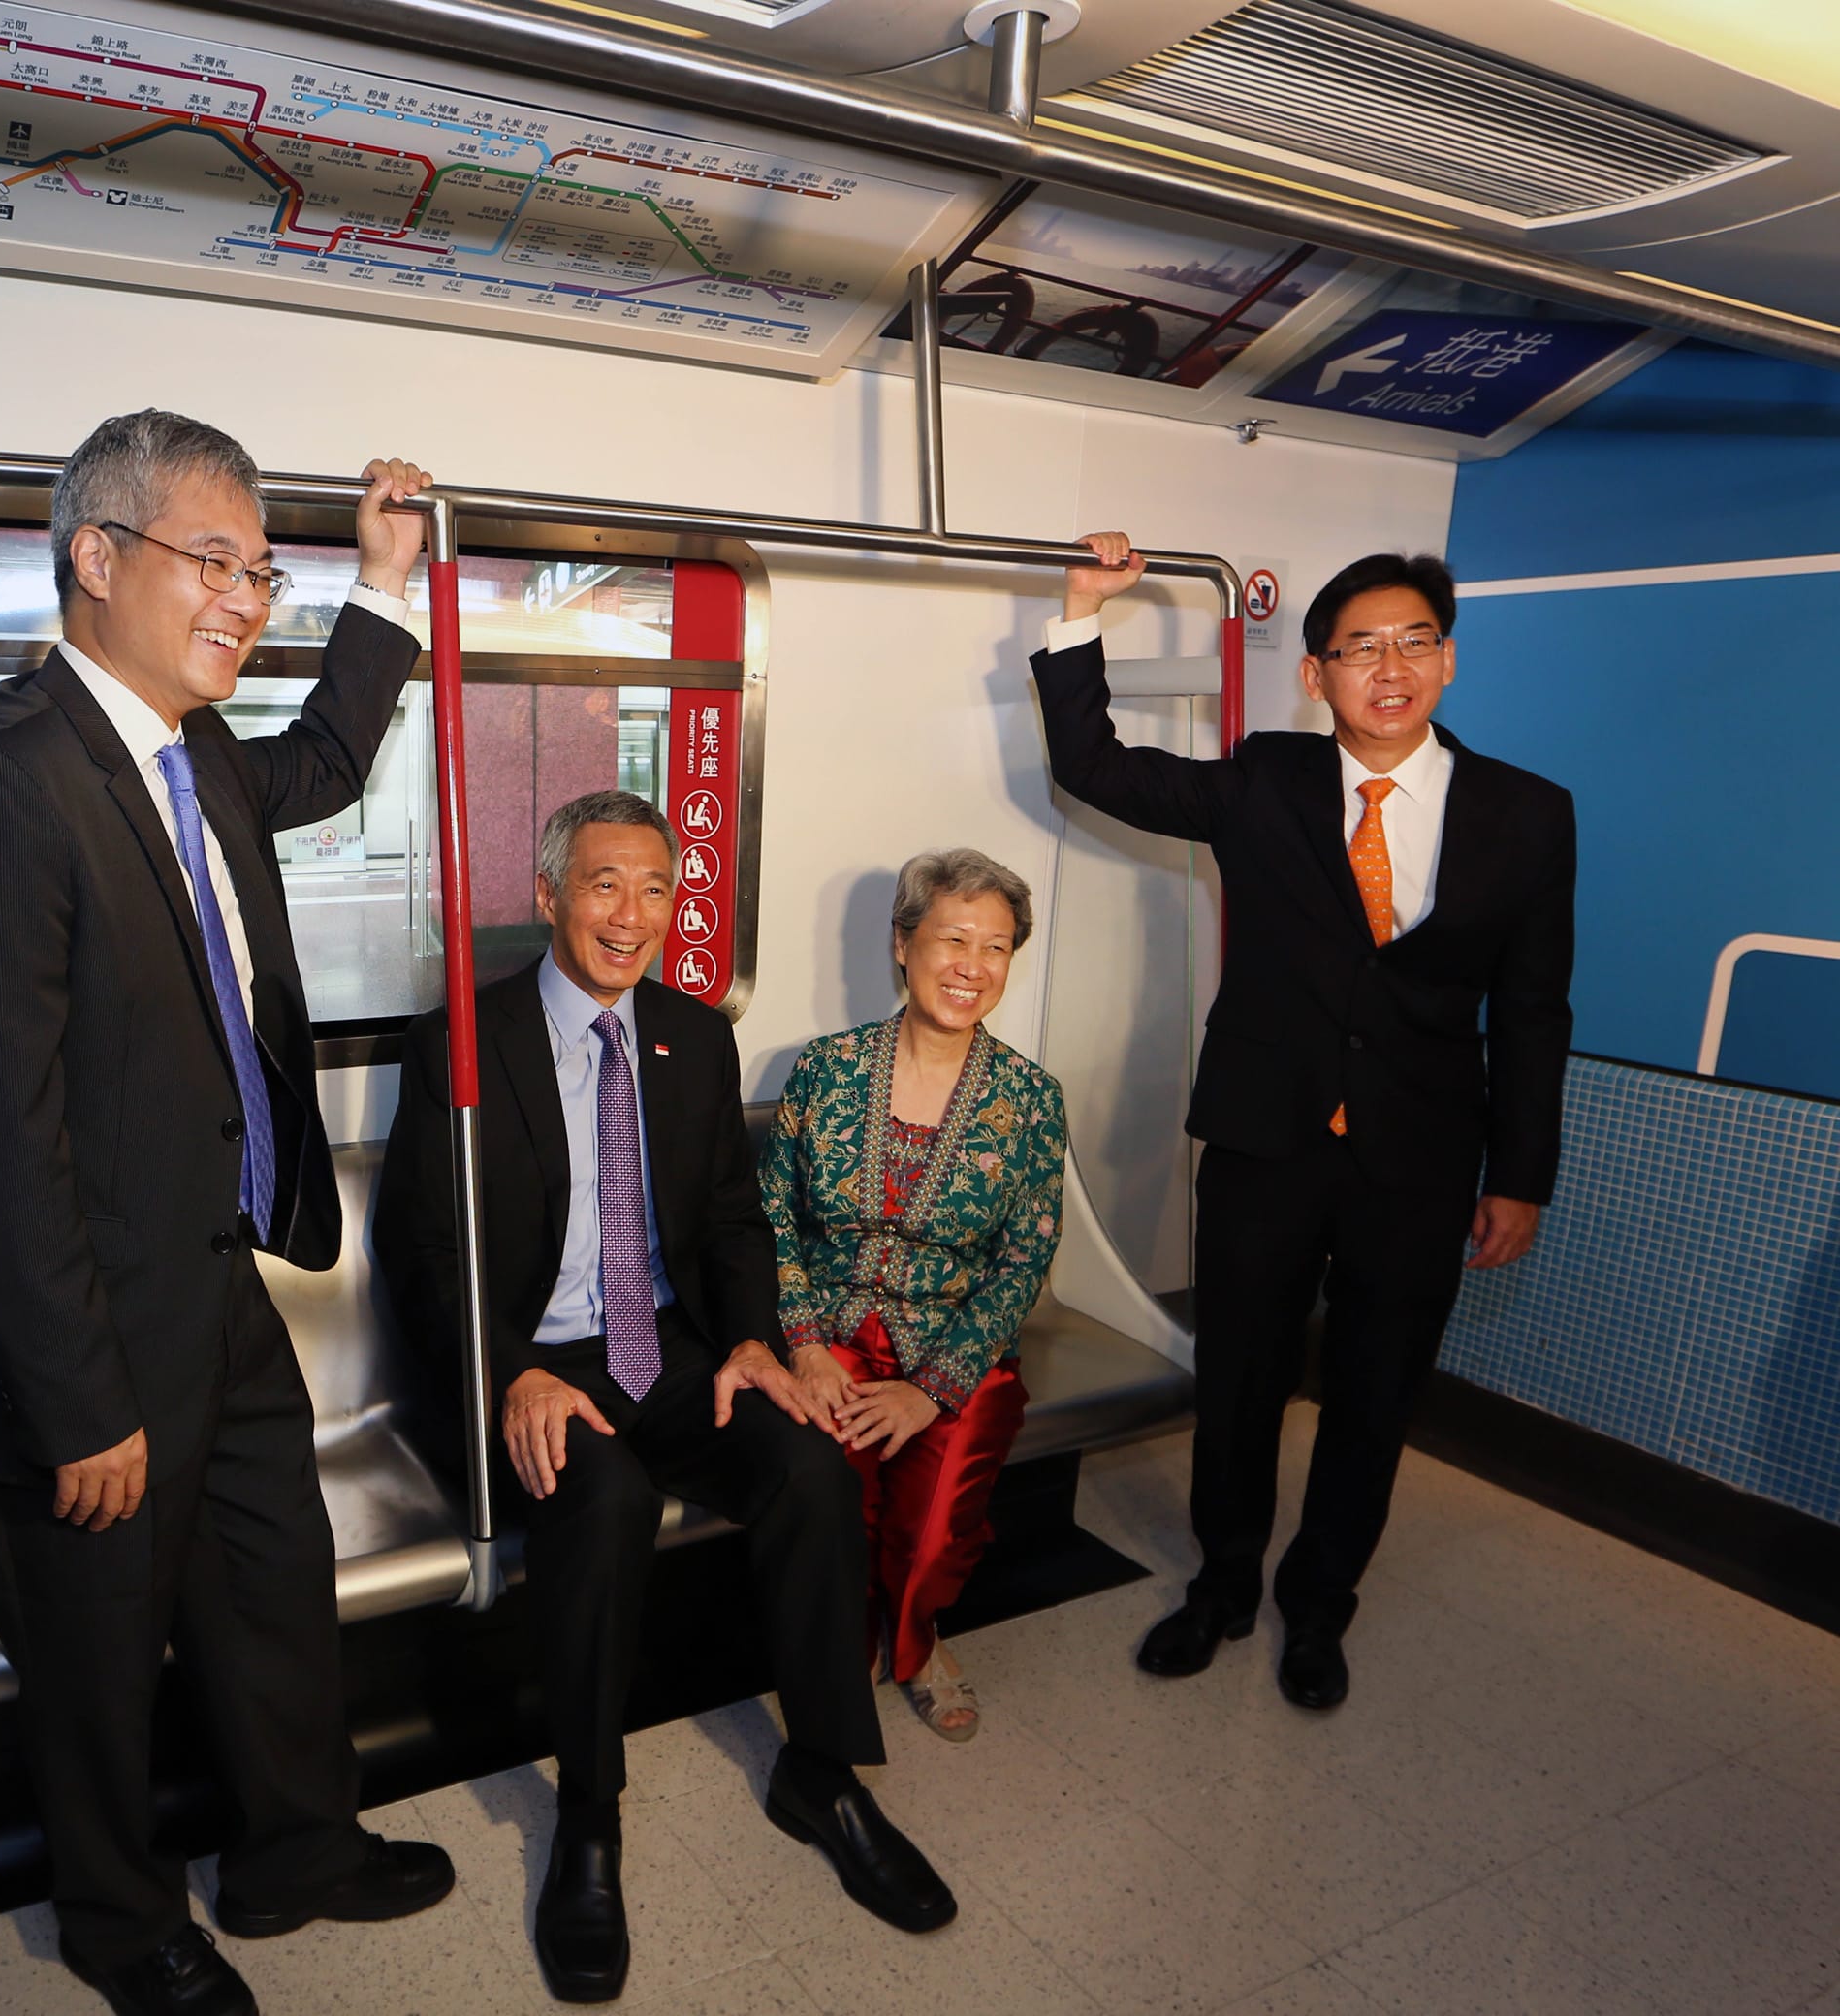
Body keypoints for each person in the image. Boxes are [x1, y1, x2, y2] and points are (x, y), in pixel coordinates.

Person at [0, 412, 454, 2016]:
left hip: (206, 1285)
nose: (246, 599)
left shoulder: (182, 750)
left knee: (275, 1576)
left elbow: (325, 762)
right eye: (216, 561)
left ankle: (298, 1849)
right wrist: (80, 1405)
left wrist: (384, 583)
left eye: (261, 570)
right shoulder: (8, 792)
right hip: (69, 1348)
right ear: (95, 558)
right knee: (96, 1668)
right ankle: (121, 1925)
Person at [376, 789, 955, 2006]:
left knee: (806, 1464)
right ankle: (589, 1820)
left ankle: (823, 1768)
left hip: (667, 1347)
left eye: (655, 889)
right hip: (535, 1358)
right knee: (605, 1497)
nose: (631, 915)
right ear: (549, 898)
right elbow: (422, 1254)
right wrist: (510, 1375)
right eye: (603, 885)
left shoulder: (695, 1037)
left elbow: (734, 1220)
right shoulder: (463, 1045)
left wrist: (755, 1341)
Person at [1033, 534, 1574, 1711]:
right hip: (1265, 1141)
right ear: (1317, 673)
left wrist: (1521, 1171)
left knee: (1377, 1394)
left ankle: (1319, 1604)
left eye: (1413, 642)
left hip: (1423, 1160)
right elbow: (1098, 768)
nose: (1389, 667)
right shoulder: (1265, 779)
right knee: (1238, 1381)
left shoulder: (1530, 815)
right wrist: (1082, 612)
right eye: (1358, 648)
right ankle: (1224, 1586)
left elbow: (1533, 1009)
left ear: (1448, 660)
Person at [759, 848, 1068, 1742]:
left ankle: (916, 1636)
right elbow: (772, 1213)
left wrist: (930, 1388)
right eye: (952, 939)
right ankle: (848, 1646)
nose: (972, 966)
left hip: (956, 1354)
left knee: (933, 1531)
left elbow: (1024, 1259)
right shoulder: (824, 1069)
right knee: (832, 1500)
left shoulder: (1031, 1100)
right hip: (828, 1339)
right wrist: (808, 1344)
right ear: (903, 944)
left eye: (998, 947)